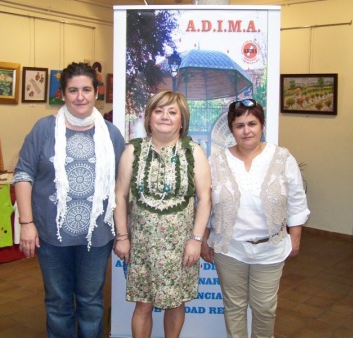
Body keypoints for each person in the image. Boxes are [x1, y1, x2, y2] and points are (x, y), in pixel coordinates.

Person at [13, 62, 125, 337]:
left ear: (96, 92)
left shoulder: (110, 134)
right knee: (58, 303)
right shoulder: (43, 129)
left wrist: (124, 233)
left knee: (91, 303)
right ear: (62, 94)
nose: (80, 97)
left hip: (96, 236)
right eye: (72, 90)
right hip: (51, 236)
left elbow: (122, 186)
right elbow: (23, 175)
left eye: (86, 89)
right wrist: (27, 223)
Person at [201, 99, 310, 338]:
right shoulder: (216, 161)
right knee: (234, 307)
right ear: (232, 129)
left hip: (270, 249)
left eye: (252, 123)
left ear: (262, 125)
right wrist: (204, 238)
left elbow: (296, 200)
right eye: (239, 125)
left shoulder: (282, 158)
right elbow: (205, 202)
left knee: (264, 309)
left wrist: (296, 237)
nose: (246, 130)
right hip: (229, 249)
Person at [114, 90, 211, 338]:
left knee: (175, 302)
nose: (164, 117)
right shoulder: (132, 151)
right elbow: (120, 195)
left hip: (180, 246)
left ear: (182, 119)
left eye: (172, 112)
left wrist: (196, 240)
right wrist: (122, 236)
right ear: (149, 118)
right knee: (143, 304)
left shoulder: (194, 152)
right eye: (158, 111)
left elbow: (205, 199)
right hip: (143, 245)